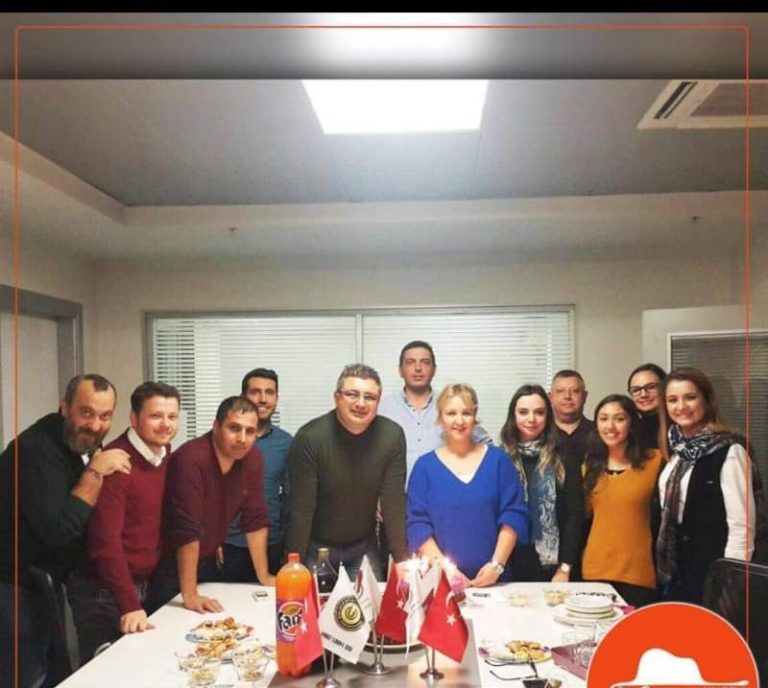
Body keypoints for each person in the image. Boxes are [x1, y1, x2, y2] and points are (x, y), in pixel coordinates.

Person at [0, 374, 131, 688]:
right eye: (86, 412)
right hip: (11, 585)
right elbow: (59, 530)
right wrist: (95, 472)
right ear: (65, 407)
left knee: (52, 673)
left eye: (105, 416)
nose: (95, 425)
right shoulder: (33, 452)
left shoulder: (78, 443)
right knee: (24, 676)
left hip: (44, 581)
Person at [66, 382, 181, 664]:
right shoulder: (117, 463)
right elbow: (104, 542)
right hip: (102, 591)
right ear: (134, 418)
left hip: (141, 585)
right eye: (156, 416)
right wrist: (129, 604)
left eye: (172, 416)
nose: (165, 424)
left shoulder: (164, 456)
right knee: (105, 673)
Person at [145, 396, 273, 615]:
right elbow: (186, 530)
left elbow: (255, 518)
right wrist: (189, 594)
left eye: (250, 431)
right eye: (234, 428)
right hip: (169, 563)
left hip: (207, 559)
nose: (242, 439)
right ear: (216, 427)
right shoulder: (191, 459)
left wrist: (264, 576)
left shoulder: (253, 458)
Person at [284, 364, 407, 580]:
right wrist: (292, 567)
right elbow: (301, 510)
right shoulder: (310, 437)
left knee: (371, 603)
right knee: (310, 602)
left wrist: (401, 561)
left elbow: (393, 504)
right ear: (337, 397)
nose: (361, 403)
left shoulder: (392, 436)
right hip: (316, 549)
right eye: (352, 394)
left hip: (363, 548)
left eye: (370, 397)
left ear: (378, 401)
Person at [656, 367, 767, 604]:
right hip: (679, 569)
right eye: (673, 400)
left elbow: (742, 526)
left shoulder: (730, 450)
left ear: (706, 401)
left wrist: (731, 581)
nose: (681, 406)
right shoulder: (676, 450)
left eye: (690, 397)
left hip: (714, 570)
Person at [406, 384, 528, 586]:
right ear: (440, 418)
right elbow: (417, 525)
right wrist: (445, 570)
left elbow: (513, 515)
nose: (459, 421)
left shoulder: (498, 461)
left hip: (494, 581)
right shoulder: (424, 467)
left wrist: (496, 565)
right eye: (451, 413)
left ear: (475, 417)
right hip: (441, 583)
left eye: (466, 413)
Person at [581, 394, 663, 608]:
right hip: (595, 570)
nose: (610, 426)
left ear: (631, 423)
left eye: (619, 419)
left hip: (638, 572)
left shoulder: (655, 461)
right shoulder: (589, 466)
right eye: (603, 418)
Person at [500, 384, 584, 582]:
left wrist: (565, 567)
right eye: (523, 412)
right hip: (510, 561)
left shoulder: (564, 456)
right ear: (513, 416)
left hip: (554, 566)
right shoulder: (500, 457)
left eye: (539, 412)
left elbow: (575, 515)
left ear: (548, 417)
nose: (531, 419)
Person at [378, 340, 491, 480]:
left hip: (443, 490)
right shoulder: (383, 408)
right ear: (400, 370)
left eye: (425, 362)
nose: (418, 368)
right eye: (410, 362)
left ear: (434, 370)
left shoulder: (449, 404)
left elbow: (485, 444)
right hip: (397, 492)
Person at [220, 368, 293, 579]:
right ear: (243, 396)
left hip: (272, 545)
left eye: (269, 392)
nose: (263, 399)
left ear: (276, 398)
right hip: (230, 547)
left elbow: (291, 498)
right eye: (255, 392)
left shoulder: (286, 443)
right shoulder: (223, 440)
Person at [549, 369, 593, 465]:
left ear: (585, 397)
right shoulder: (541, 433)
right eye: (560, 391)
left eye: (575, 391)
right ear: (550, 397)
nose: (567, 396)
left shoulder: (599, 433)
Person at [627, 363, 667, 450]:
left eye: (651, 387)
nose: (643, 394)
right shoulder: (630, 429)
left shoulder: (677, 427)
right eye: (636, 390)